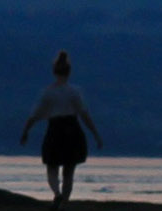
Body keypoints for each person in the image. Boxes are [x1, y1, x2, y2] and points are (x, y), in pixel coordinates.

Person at [18, 52, 101, 203]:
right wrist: (95, 134)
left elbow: (34, 115)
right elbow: (84, 115)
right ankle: (63, 204)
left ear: (54, 71)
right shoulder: (75, 91)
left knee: (52, 168)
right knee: (69, 172)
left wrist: (25, 131)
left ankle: (57, 193)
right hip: (72, 129)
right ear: (69, 72)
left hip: (55, 129)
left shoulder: (48, 92)